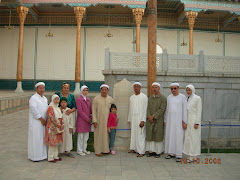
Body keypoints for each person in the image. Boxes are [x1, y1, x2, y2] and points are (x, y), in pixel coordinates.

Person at [164, 82, 187, 162]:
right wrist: (165, 120)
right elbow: (167, 110)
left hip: (179, 121)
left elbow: (185, 110)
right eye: (171, 88)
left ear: (178, 89)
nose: (173, 90)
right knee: (170, 136)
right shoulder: (169, 97)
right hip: (170, 121)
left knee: (178, 137)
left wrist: (185, 121)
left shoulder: (182, 97)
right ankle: (171, 153)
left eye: (175, 88)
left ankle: (179, 154)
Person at [28, 82, 48, 162]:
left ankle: (43, 155)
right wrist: (41, 119)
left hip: (44, 122)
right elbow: (34, 110)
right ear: (36, 89)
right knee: (36, 138)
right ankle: (35, 156)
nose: (42, 90)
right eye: (40, 88)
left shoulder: (45, 98)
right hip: (36, 122)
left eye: (43, 88)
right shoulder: (33, 98)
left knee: (42, 138)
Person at [92, 84, 114, 157]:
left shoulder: (111, 99)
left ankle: (105, 150)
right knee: (98, 135)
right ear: (100, 90)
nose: (104, 91)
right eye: (103, 89)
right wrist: (94, 120)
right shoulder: (96, 99)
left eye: (106, 90)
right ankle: (98, 151)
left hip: (108, 121)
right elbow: (94, 110)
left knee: (106, 135)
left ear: (108, 91)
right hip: (99, 120)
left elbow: (113, 110)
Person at [146, 82, 167, 158]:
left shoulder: (163, 98)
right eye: (153, 87)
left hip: (158, 120)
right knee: (150, 135)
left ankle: (158, 151)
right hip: (150, 120)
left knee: (158, 136)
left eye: (156, 87)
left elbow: (162, 109)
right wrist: (149, 117)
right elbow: (147, 108)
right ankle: (151, 151)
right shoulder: (150, 98)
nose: (154, 89)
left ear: (159, 88)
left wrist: (154, 116)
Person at [128, 82, 148, 157]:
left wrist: (143, 120)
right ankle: (133, 148)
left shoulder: (144, 97)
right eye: (135, 86)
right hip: (133, 118)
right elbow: (130, 109)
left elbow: (145, 109)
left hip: (140, 119)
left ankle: (141, 151)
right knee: (133, 134)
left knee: (140, 135)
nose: (136, 88)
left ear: (140, 87)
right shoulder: (131, 97)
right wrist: (129, 119)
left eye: (137, 86)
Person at [183, 84, 202, 163]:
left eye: (189, 90)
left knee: (194, 138)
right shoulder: (187, 98)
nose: (188, 91)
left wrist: (197, 122)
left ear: (193, 90)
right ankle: (189, 155)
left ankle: (193, 156)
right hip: (188, 120)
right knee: (188, 138)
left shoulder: (197, 98)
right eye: (187, 90)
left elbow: (199, 111)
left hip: (194, 121)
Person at [44, 95, 65, 163]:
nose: (57, 101)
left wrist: (62, 123)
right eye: (55, 99)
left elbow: (61, 117)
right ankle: (50, 157)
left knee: (57, 143)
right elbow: (51, 117)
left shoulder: (57, 108)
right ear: (52, 100)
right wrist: (58, 124)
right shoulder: (50, 108)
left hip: (58, 127)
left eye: (58, 99)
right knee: (52, 143)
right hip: (52, 127)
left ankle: (55, 156)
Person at [76, 85, 92, 156]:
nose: (85, 92)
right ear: (81, 91)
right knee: (81, 137)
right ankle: (79, 150)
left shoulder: (88, 99)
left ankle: (84, 149)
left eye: (86, 90)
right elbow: (80, 111)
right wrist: (87, 118)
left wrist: (91, 117)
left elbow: (90, 109)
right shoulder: (79, 99)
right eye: (84, 90)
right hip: (82, 120)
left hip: (88, 121)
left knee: (86, 136)